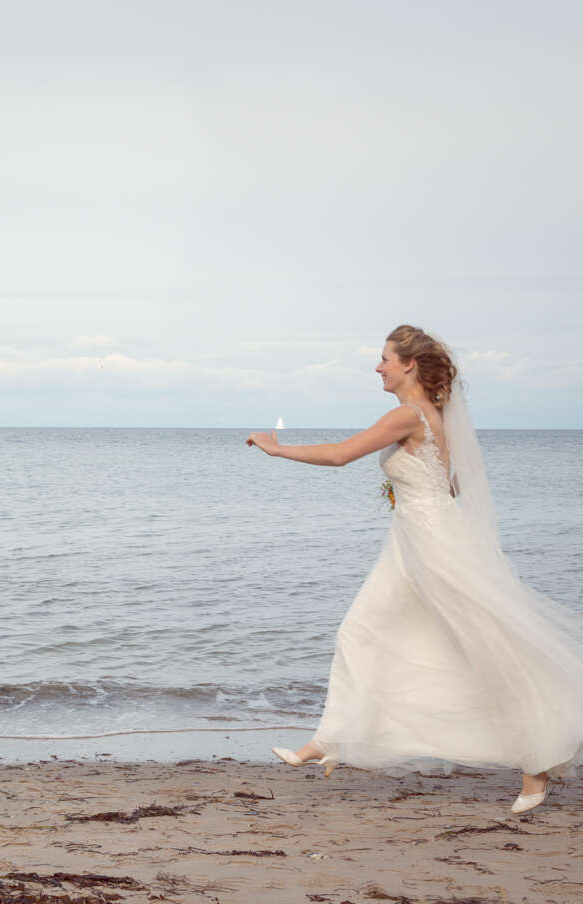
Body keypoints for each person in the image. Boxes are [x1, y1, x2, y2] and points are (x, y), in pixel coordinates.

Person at [246, 324, 583, 814]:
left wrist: (276, 449)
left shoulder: (407, 415)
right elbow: (450, 485)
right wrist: (412, 499)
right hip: (413, 542)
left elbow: (340, 455)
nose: (378, 367)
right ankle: (331, 738)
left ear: (409, 364)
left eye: (385, 358)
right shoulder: (434, 417)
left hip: (433, 545)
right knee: (362, 633)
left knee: (487, 646)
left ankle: (537, 764)